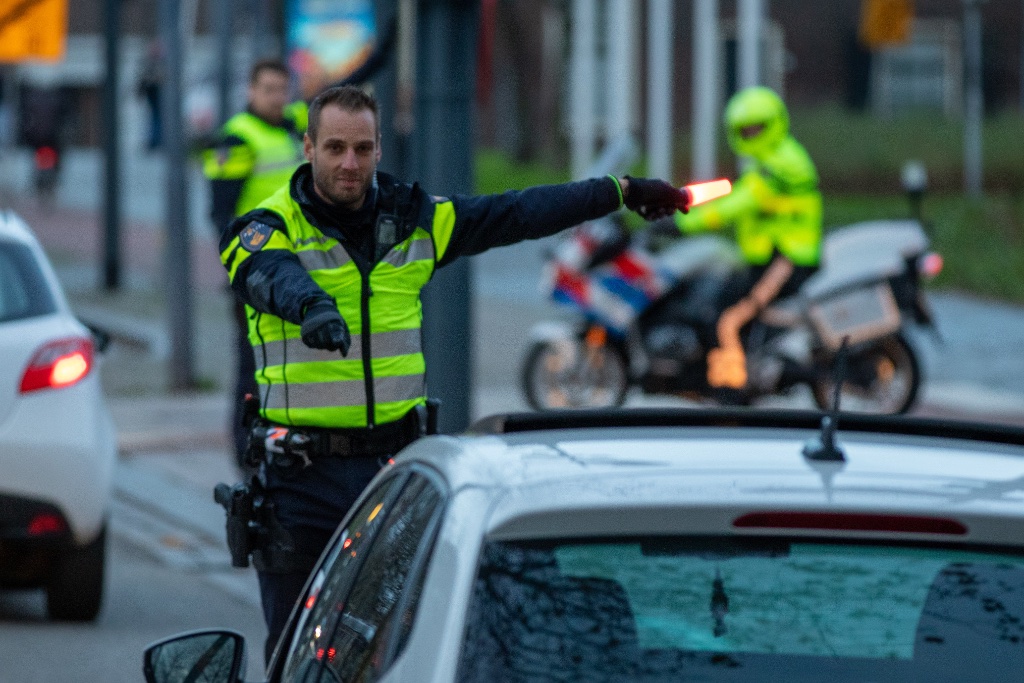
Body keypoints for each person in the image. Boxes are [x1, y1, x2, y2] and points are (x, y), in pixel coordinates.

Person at [219, 84, 688, 660]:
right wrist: (310, 305)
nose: (350, 163)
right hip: (301, 481)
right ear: (308, 146)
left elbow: (519, 212)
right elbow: (266, 273)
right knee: (295, 651)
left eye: (363, 149)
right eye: (335, 147)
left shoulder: (415, 222)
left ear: (379, 150)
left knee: (392, 646)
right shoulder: (265, 226)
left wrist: (620, 191)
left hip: (390, 474)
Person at [674, 86, 822, 397]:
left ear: (775, 124)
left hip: (785, 261)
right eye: (744, 130)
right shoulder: (773, 158)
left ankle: (731, 390)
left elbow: (743, 200)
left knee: (726, 318)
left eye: (756, 128)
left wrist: (682, 221)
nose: (749, 135)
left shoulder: (780, 163)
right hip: (773, 259)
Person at [203, 59, 309, 471]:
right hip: (255, 275)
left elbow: (342, 88)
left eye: (282, 90)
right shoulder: (235, 138)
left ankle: (281, 448)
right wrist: (243, 271)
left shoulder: (291, 123)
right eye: (267, 89)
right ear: (250, 91)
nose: (276, 98)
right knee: (252, 368)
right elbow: (220, 215)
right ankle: (245, 453)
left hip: (299, 270)